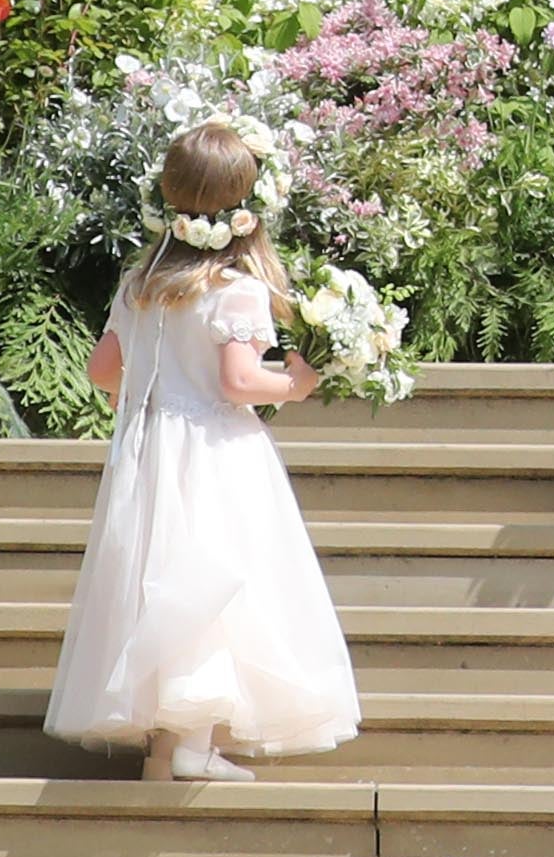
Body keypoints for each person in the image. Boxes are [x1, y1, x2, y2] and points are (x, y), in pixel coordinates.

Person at [47, 121, 357, 783]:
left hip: (154, 447)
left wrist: (150, 392)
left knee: (167, 579)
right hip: (217, 449)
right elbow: (239, 381)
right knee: (215, 582)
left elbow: (104, 370)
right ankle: (189, 746)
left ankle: (169, 747)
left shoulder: (142, 281)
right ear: (246, 202)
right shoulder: (237, 288)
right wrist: (297, 384)